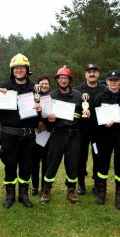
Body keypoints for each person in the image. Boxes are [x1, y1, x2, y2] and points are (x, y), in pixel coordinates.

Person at [0, 53, 40, 209]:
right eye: (16, 68)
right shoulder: (4, 87)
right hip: (9, 136)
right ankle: (10, 195)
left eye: (22, 68)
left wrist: (40, 109)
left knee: (27, 166)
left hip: (28, 136)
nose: (19, 70)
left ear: (27, 70)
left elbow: (42, 113)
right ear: (12, 70)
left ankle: (23, 195)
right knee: (10, 166)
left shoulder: (35, 88)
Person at [40, 66, 87, 205]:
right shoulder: (50, 96)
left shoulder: (78, 95)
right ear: (57, 80)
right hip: (57, 135)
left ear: (69, 80)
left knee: (72, 164)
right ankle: (46, 190)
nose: (63, 80)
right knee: (52, 163)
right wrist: (48, 119)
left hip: (74, 135)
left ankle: (71, 191)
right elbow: (43, 117)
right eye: (61, 78)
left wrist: (86, 113)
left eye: (66, 78)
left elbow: (82, 114)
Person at [74, 64, 105, 195]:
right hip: (82, 131)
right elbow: (74, 108)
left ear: (98, 74)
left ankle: (97, 183)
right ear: (85, 74)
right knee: (81, 157)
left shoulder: (105, 89)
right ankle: (81, 183)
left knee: (98, 156)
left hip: (98, 132)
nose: (92, 74)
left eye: (94, 72)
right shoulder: (77, 90)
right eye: (89, 72)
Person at [93, 70, 120, 209]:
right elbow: (93, 117)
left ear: (119, 82)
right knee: (103, 163)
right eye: (111, 80)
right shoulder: (100, 97)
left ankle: (119, 194)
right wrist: (103, 123)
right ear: (107, 81)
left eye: (116, 79)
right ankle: (101, 191)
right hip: (105, 135)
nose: (113, 82)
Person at [31, 75, 51, 195]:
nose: (44, 86)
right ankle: (34, 186)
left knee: (46, 162)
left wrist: (45, 125)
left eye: (46, 84)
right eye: (41, 84)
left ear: (49, 86)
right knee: (34, 161)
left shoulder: (52, 97)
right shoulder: (32, 97)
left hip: (48, 133)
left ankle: (45, 186)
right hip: (35, 133)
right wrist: (37, 124)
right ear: (37, 85)